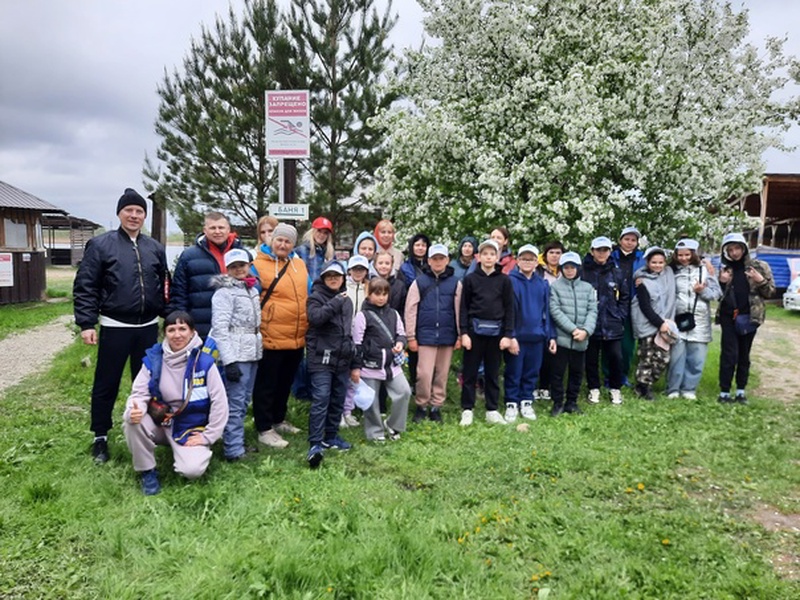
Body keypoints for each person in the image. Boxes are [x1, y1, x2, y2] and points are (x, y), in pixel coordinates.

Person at [73, 188, 168, 463]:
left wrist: (169, 317)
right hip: (115, 326)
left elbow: (163, 285)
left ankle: (149, 431)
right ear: (119, 213)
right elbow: (85, 285)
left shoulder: (154, 248)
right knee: (107, 383)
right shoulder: (101, 245)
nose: (134, 215)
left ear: (144, 216)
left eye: (139, 211)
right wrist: (87, 323)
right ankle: (100, 437)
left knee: (149, 384)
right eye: (129, 210)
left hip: (148, 327)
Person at [122, 311, 228, 495]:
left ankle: (190, 452)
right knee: (132, 422)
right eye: (171, 329)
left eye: (182, 329)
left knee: (192, 471)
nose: (177, 334)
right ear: (164, 334)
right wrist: (133, 410)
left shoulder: (204, 363)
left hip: (190, 426)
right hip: (160, 422)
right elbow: (138, 393)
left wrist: (208, 436)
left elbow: (220, 403)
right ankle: (147, 471)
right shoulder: (154, 360)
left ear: (192, 331)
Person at [251, 223, 309, 448]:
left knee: (285, 381)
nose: (283, 244)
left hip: (296, 335)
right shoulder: (257, 265)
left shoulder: (299, 264)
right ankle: (264, 428)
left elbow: (309, 291)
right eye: (279, 240)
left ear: (293, 244)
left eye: (288, 241)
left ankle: (278, 419)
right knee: (267, 383)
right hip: (271, 333)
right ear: (271, 240)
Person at [208, 248, 262, 462]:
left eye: (242, 265)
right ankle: (233, 449)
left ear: (249, 265)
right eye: (234, 266)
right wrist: (229, 361)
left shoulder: (253, 290)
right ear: (227, 269)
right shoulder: (224, 293)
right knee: (235, 401)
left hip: (253, 351)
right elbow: (220, 328)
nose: (239, 269)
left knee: (244, 400)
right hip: (236, 353)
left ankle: (235, 440)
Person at [458, 239, 515, 426]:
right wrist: (464, 333)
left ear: (497, 257)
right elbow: (464, 308)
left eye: (492, 254)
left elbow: (509, 309)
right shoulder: (470, 279)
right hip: (474, 332)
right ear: (479, 257)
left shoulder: (504, 280)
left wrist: (507, 335)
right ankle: (467, 409)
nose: (489, 257)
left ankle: (492, 409)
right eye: (485, 254)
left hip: (496, 333)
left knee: (492, 372)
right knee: (470, 372)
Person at [305, 260, 355, 468]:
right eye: (329, 276)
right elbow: (316, 318)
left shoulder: (348, 301)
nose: (334, 279)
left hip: (342, 357)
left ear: (343, 278)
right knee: (321, 398)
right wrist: (335, 301)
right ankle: (315, 443)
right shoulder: (315, 297)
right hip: (321, 357)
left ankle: (331, 436)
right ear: (323, 278)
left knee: (337, 398)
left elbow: (347, 329)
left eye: (337, 275)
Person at [716, 233, 775, 404]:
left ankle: (741, 391)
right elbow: (717, 295)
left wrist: (760, 280)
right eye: (730, 249)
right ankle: (724, 391)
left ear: (744, 248)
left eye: (737, 248)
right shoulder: (725, 268)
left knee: (744, 354)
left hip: (750, 317)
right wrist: (721, 282)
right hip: (728, 316)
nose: (734, 253)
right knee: (728, 354)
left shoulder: (759, 266)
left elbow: (770, 292)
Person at [404, 243, 460, 423]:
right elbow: (410, 309)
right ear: (428, 261)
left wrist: (459, 334)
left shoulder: (455, 282)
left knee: (442, 373)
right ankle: (421, 405)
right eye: (434, 258)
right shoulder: (419, 282)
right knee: (424, 374)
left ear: (447, 260)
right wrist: (411, 336)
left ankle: (436, 406)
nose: (438, 262)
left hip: (447, 335)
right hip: (425, 335)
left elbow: (459, 310)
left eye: (441, 258)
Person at [351, 278, 412, 442]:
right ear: (369, 294)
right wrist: (356, 368)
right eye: (377, 294)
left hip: (392, 365)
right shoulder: (362, 316)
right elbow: (357, 343)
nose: (381, 298)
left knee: (404, 391)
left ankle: (393, 425)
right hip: (369, 366)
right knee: (371, 401)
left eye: (385, 294)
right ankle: (375, 432)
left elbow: (401, 334)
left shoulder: (394, 313)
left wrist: (400, 343)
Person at [504, 244, 556, 423]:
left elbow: (547, 312)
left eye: (531, 259)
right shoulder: (509, 281)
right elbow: (506, 311)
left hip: (537, 336)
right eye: (524, 259)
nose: (527, 262)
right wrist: (510, 336)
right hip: (517, 337)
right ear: (517, 261)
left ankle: (526, 400)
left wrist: (551, 336)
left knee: (531, 371)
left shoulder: (542, 284)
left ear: (537, 262)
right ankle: (511, 402)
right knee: (514, 371)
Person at [170, 211, 242, 338]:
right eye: (212, 228)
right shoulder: (189, 256)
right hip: (200, 326)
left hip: (235, 326)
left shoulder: (241, 254)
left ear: (228, 229)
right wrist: (183, 324)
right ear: (205, 230)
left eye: (221, 227)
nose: (217, 231)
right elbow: (179, 292)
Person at [666, 239, 721, 399]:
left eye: (687, 255)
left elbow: (716, 294)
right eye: (680, 255)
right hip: (677, 318)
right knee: (676, 356)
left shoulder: (706, 270)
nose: (683, 258)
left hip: (700, 320)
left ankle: (689, 389)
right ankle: (673, 389)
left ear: (694, 254)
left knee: (696, 358)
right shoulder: (671, 271)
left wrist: (702, 291)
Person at [549, 252, 597, 416]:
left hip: (581, 340)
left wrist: (585, 331)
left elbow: (592, 311)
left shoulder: (587, 288)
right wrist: (573, 329)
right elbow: (555, 310)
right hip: (562, 338)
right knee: (557, 372)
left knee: (577, 372)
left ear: (578, 268)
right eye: (566, 267)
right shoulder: (555, 287)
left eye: (572, 267)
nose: (569, 271)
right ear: (561, 269)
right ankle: (557, 402)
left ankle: (572, 402)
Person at [582, 236, 629, 405]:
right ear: (592, 251)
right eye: (598, 250)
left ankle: (615, 388)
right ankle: (593, 388)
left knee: (616, 357)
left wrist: (619, 314)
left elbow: (624, 296)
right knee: (591, 359)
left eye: (605, 250)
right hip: (590, 323)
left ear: (610, 252)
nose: (602, 253)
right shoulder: (583, 271)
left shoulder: (617, 272)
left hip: (612, 324)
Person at [630, 247, 677, 400]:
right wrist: (658, 323)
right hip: (649, 323)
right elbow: (645, 306)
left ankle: (649, 382)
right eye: (654, 262)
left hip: (666, 322)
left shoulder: (669, 273)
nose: (657, 265)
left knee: (663, 357)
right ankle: (643, 387)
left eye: (660, 262)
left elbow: (684, 260)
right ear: (648, 263)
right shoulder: (642, 280)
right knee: (647, 356)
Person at [611, 226, 645, 385]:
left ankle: (623, 374)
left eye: (633, 240)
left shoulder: (642, 258)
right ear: (620, 240)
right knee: (610, 341)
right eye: (627, 239)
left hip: (633, 303)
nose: (630, 243)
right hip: (612, 303)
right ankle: (608, 375)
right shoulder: (611, 256)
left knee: (627, 343)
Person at [340, 254, 371, 427]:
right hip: (344, 336)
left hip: (361, 338)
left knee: (355, 376)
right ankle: (339, 412)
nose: (358, 272)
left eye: (361, 269)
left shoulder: (368, 288)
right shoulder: (343, 287)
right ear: (349, 270)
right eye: (355, 269)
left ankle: (348, 410)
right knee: (341, 377)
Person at [535, 241, 564, 403]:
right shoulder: (539, 271)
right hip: (541, 317)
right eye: (551, 252)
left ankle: (549, 386)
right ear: (545, 255)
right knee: (541, 354)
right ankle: (538, 386)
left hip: (560, 317)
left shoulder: (565, 271)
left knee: (555, 355)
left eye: (558, 253)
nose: (555, 256)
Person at [296, 216, 335, 283]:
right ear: (313, 231)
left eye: (325, 233)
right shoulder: (301, 251)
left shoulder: (330, 254)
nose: (322, 235)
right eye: (319, 231)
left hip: (324, 291)